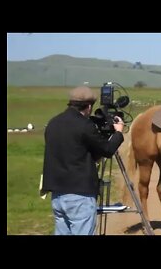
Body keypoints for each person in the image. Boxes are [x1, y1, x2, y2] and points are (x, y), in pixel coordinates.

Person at [41, 86, 124, 235]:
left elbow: (74, 151)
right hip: (80, 196)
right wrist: (118, 132)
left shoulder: (53, 123)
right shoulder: (85, 125)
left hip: (57, 195)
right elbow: (107, 149)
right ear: (89, 106)